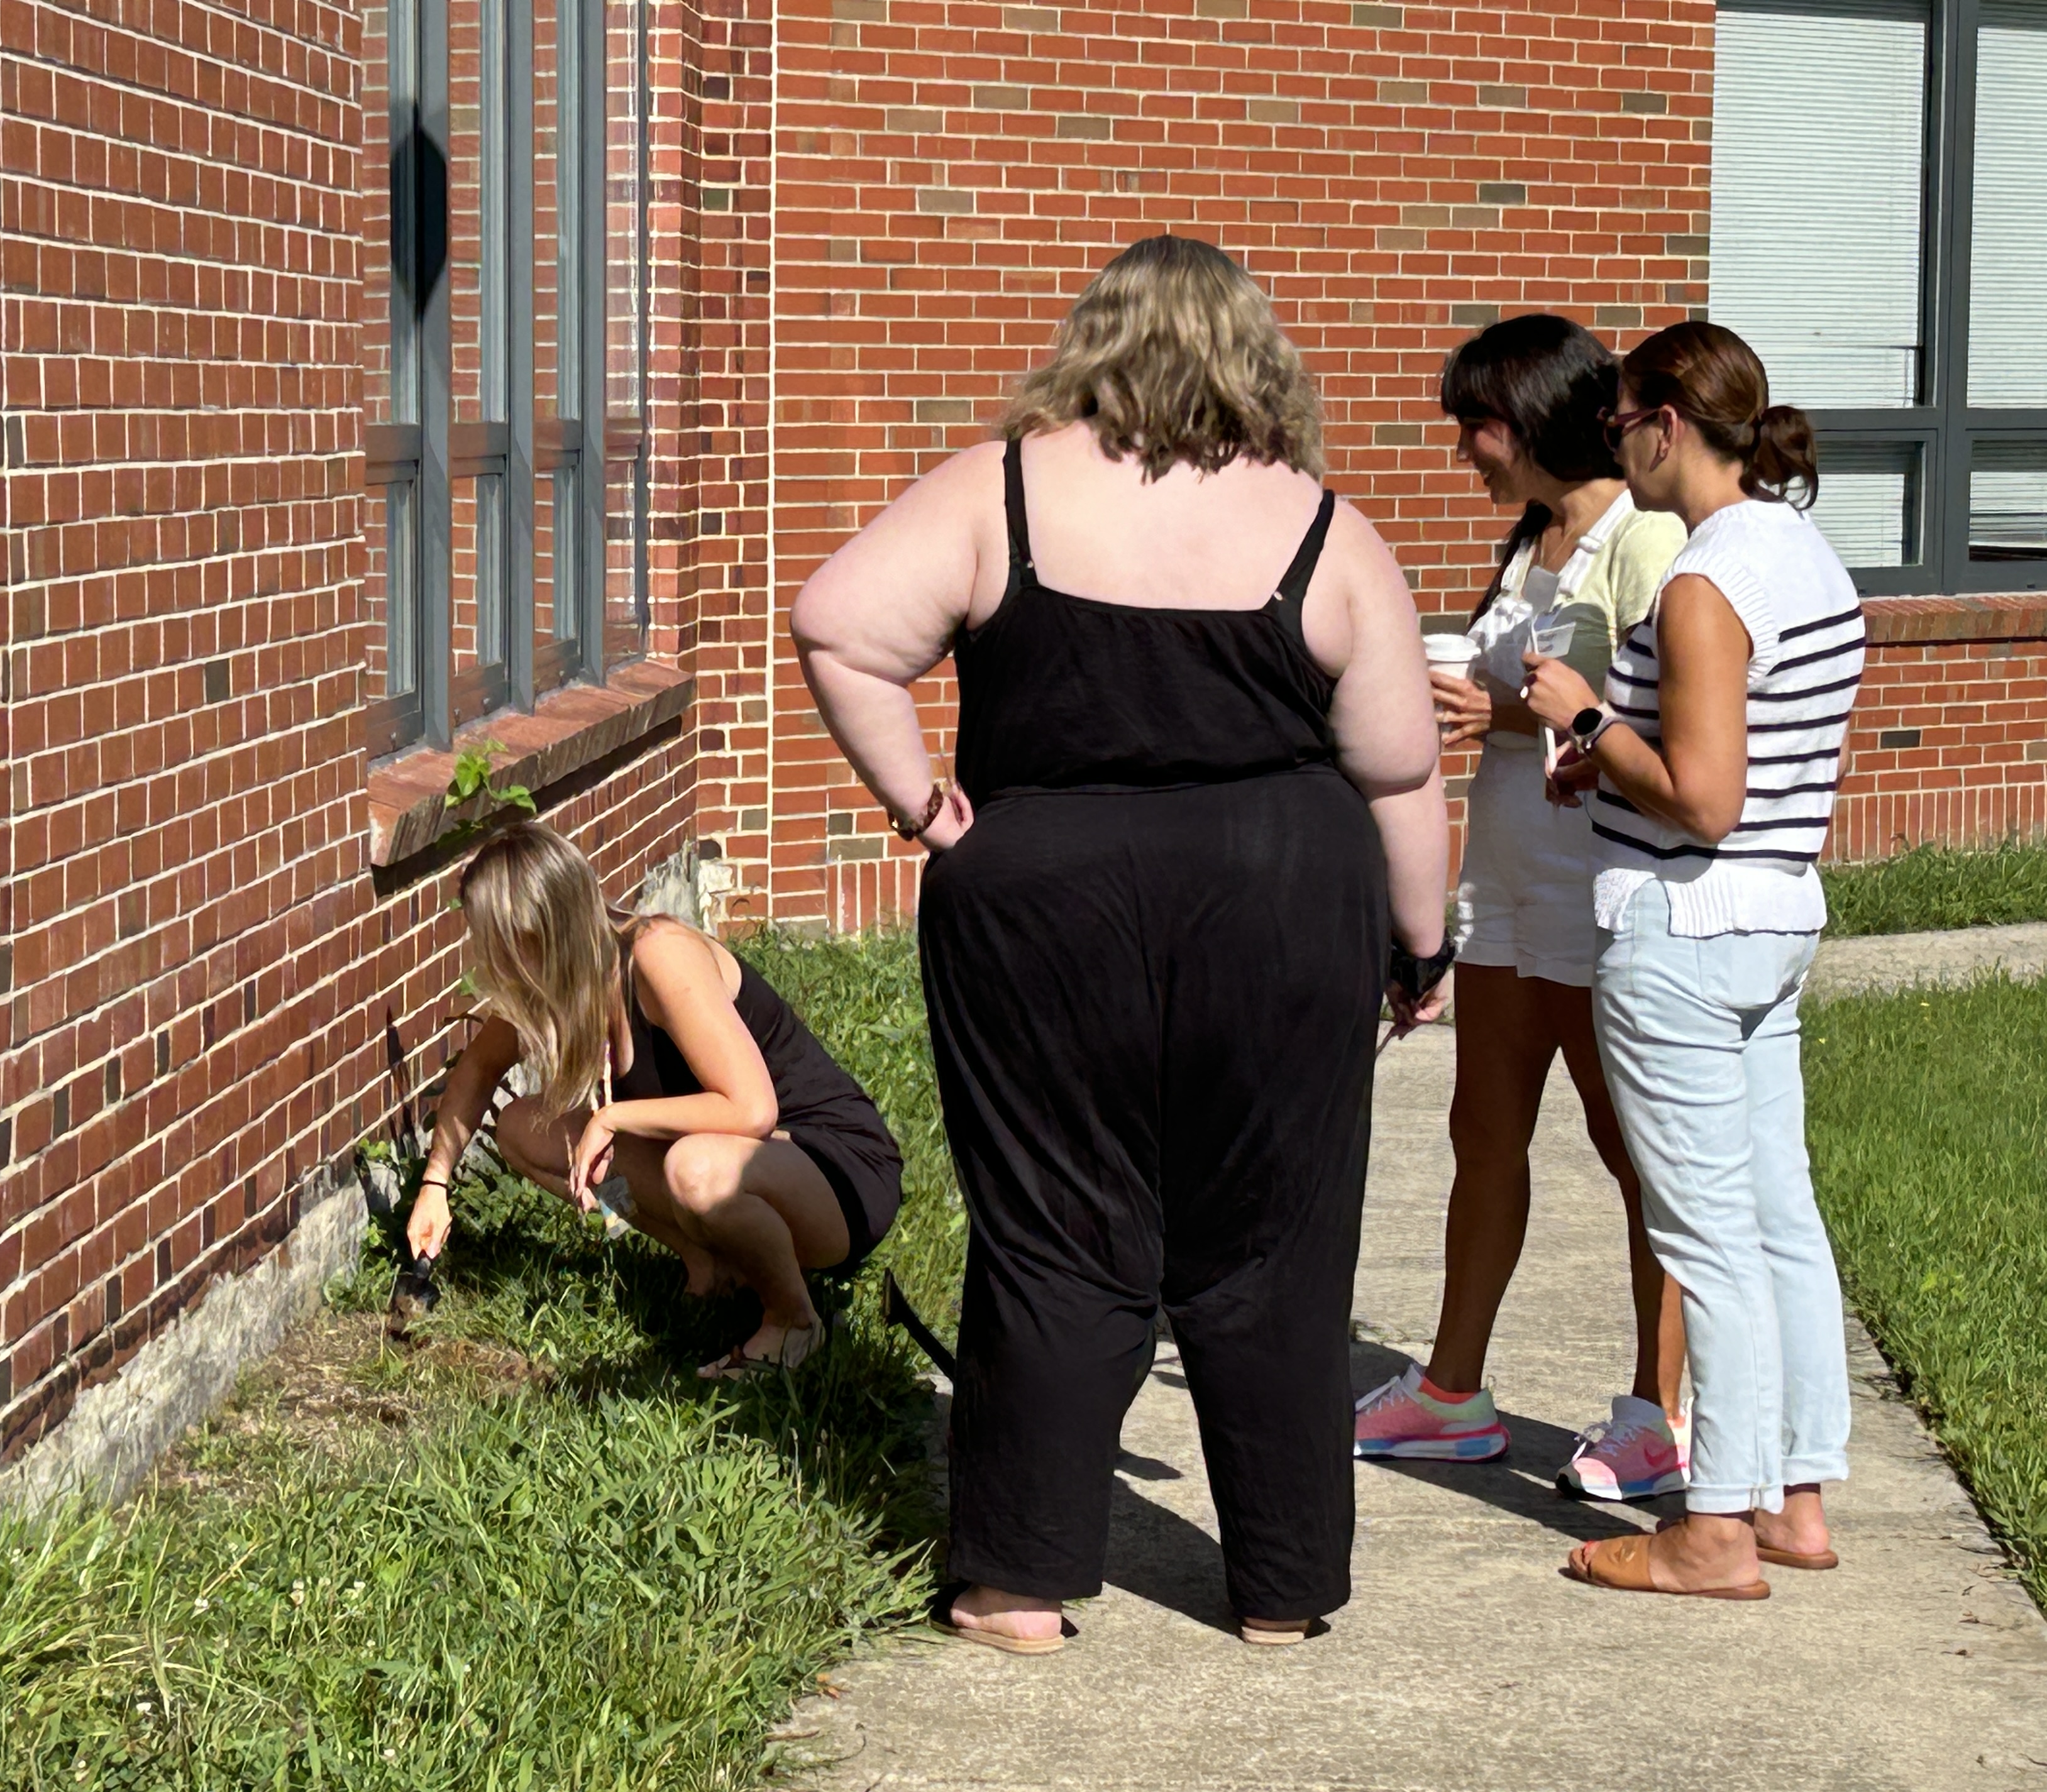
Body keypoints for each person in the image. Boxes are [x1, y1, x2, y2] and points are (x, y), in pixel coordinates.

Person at [792, 235, 1451, 1651]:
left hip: (1042, 903)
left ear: (1094, 342)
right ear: (1254, 354)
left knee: (1050, 1226)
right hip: (1283, 902)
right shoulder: (1328, 529)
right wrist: (1422, 947)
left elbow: (837, 625)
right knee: (1275, 1244)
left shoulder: (1003, 489)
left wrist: (923, 804)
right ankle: (1279, 1591)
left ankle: (1017, 1582)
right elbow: (1399, 770)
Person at [1519, 321, 1863, 1598]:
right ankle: (1794, 1498)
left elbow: (1707, 797)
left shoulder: (1706, 582)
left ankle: (1714, 1529)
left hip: (1686, 927)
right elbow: (1742, 768)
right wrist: (1610, 763)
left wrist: (1590, 717)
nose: (1615, 445)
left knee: (1707, 1233)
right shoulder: (1804, 555)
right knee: (1778, 1216)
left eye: (1618, 424)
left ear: (1667, 422)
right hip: (1771, 919)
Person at [1353, 315, 1692, 1500]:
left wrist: (1501, 714)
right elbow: (1525, 696)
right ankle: (1451, 1391)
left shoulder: (1645, 537)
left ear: (1538, 416)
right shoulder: (1535, 537)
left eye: (1476, 424)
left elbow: (1666, 722)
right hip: (1504, 887)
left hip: (1601, 890)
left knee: (1633, 1152)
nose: (1465, 450)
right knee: (1480, 1135)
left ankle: (1659, 1414)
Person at [402, 822, 905, 1378]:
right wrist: (435, 1185)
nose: (492, 961)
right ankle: (708, 1263)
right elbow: (477, 1070)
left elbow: (753, 1111)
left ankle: (794, 1322)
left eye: (496, 944)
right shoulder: (564, 977)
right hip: (737, 1162)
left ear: (536, 935)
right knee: (524, 1127)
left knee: (697, 1169)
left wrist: (616, 1116)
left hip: (836, 1171)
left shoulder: (657, 953)